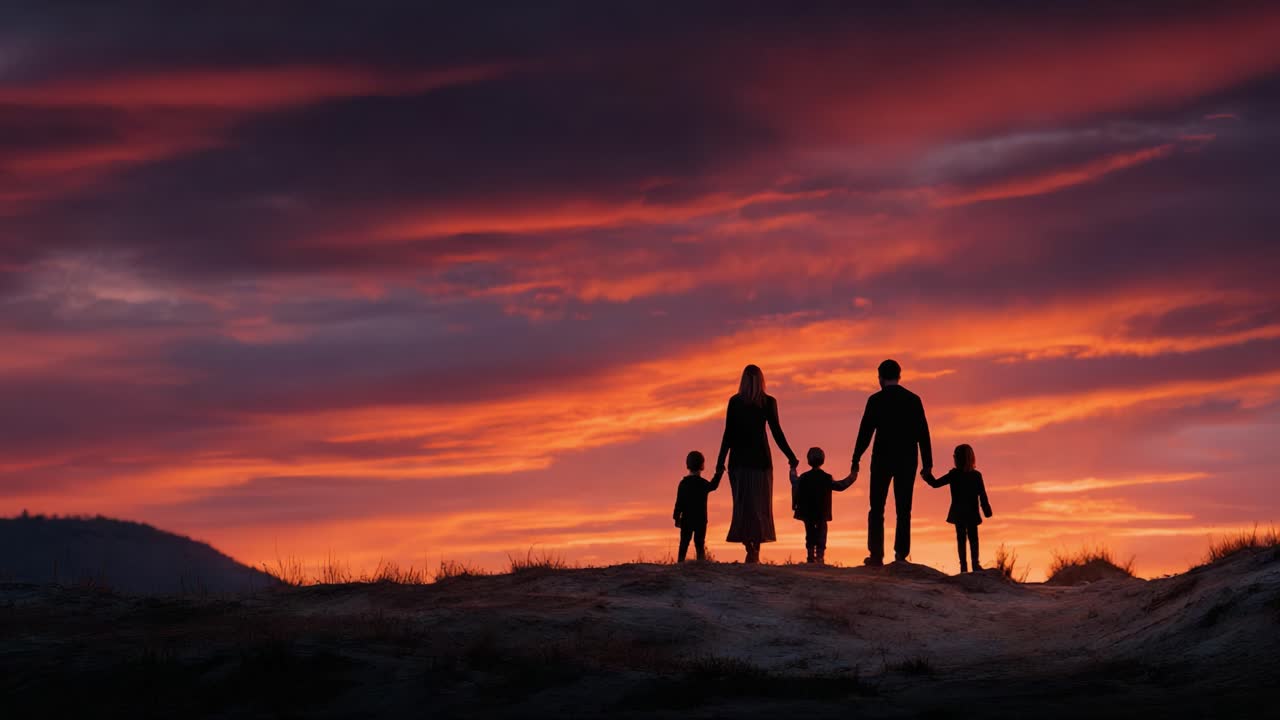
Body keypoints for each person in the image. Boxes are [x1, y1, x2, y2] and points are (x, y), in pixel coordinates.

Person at [851, 359, 933, 566]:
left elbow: (865, 432)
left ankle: (876, 554)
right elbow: (923, 433)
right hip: (907, 460)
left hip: (882, 459)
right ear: (899, 376)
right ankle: (901, 555)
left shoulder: (875, 400)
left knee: (876, 506)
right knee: (904, 508)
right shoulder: (913, 400)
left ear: (880, 377)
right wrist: (927, 464)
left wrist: (856, 458)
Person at [715, 364, 799, 563]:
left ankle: (749, 547)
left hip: (739, 462)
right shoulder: (767, 402)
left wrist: (720, 462)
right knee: (759, 506)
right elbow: (777, 432)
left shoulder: (735, 402)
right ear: (762, 380)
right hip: (760, 461)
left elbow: (728, 434)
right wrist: (791, 456)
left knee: (743, 505)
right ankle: (755, 550)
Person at [924, 444, 993, 573]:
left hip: (960, 512)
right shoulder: (975, 475)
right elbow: (982, 495)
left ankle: (965, 566)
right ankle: (974, 565)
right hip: (970, 512)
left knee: (962, 539)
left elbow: (935, 484)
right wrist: (986, 510)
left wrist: (927, 476)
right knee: (972, 538)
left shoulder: (955, 475)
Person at [790, 447, 854, 564]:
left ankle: (810, 555)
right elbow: (841, 485)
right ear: (822, 460)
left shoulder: (804, 477)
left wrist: (793, 468)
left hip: (807, 511)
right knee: (822, 532)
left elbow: (794, 481)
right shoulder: (826, 478)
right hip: (822, 511)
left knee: (809, 532)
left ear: (808, 460)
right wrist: (853, 476)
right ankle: (820, 556)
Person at [672, 450, 722, 562]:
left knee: (684, 543)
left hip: (687, 519)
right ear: (702, 465)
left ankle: (680, 564)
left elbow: (679, 503)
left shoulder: (683, 484)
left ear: (687, 465)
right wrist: (718, 473)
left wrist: (676, 517)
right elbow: (713, 486)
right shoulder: (703, 484)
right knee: (699, 544)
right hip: (700, 519)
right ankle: (701, 564)